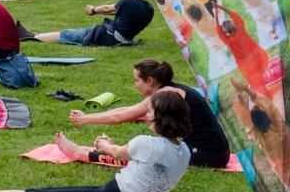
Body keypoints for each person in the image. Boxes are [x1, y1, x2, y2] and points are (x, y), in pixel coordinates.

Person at [0, 90, 192, 192]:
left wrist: (104, 143)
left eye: (149, 111)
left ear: (160, 118)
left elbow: (117, 152)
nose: (146, 115)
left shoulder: (147, 144)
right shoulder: (184, 152)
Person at [68, 58, 230, 168]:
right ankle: (103, 149)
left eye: (137, 80)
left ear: (150, 81)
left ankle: (89, 153)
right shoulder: (167, 89)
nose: (135, 85)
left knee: (143, 157)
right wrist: (86, 117)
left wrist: (85, 120)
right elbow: (127, 110)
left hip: (210, 154)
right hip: (211, 150)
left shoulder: (165, 94)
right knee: (148, 150)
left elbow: (119, 117)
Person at [28, 0, 154, 46]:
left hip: (110, 36)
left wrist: (94, 9)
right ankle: (33, 35)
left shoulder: (129, 1)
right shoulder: (149, 9)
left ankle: (31, 37)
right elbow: (121, 13)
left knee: (69, 34)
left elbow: (109, 8)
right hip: (126, 39)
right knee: (74, 34)